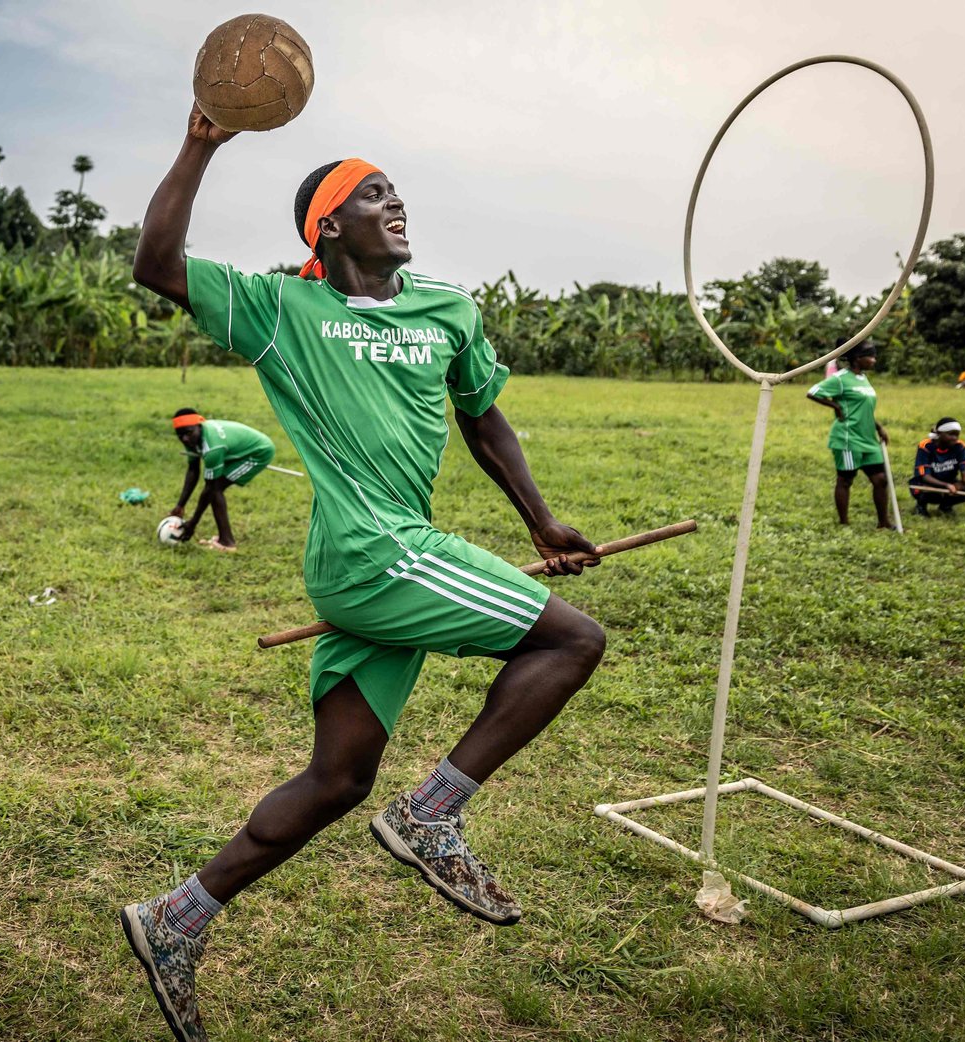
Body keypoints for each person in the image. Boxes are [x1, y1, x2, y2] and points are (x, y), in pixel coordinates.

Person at [124, 105, 607, 1041]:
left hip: (400, 553)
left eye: (395, 191)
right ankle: (430, 819)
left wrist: (541, 519)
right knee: (573, 638)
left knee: (338, 780)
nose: (395, 203)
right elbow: (158, 266)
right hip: (372, 553)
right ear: (327, 227)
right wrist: (202, 141)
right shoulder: (280, 310)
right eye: (371, 194)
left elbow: (484, 418)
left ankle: (175, 921)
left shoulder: (447, 309)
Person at [807, 341, 893, 528]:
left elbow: (864, 408)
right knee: (845, 480)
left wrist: (878, 428)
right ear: (857, 358)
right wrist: (836, 406)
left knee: (881, 480)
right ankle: (844, 522)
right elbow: (813, 392)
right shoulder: (840, 378)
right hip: (848, 437)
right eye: (870, 356)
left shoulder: (863, 379)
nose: (874, 360)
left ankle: (883, 522)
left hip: (868, 437)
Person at [169, 409, 275, 551]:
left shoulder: (212, 448)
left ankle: (227, 541)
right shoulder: (192, 436)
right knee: (215, 489)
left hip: (259, 452)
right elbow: (193, 470)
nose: (185, 439)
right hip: (233, 448)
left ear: (199, 426)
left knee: (215, 489)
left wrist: (192, 523)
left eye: (188, 433)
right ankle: (224, 539)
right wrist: (180, 505)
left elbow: (210, 488)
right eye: (180, 435)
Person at [910, 417, 965, 517]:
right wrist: (945, 485)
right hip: (927, 483)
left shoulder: (960, 446)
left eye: (957, 435)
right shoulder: (926, 446)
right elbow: (924, 476)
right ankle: (921, 506)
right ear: (939, 434)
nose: (955, 438)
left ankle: (946, 506)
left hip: (949, 482)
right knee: (926, 490)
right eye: (951, 434)